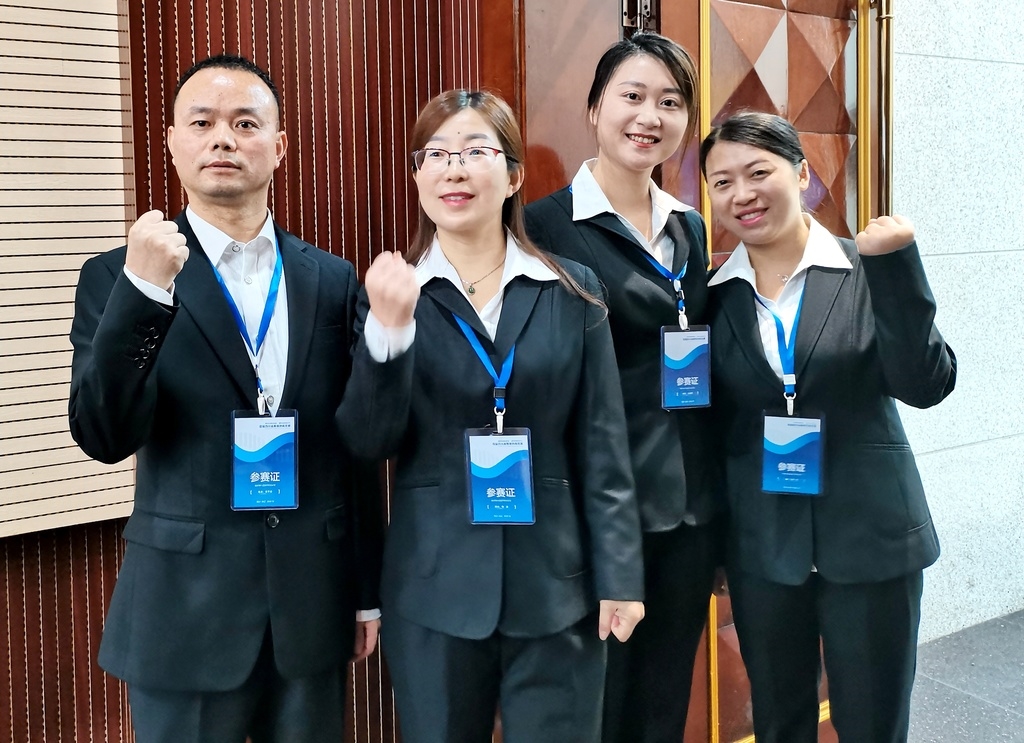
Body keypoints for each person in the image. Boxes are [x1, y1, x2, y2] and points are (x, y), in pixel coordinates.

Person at [68, 54, 382, 743]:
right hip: (183, 613)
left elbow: (353, 447)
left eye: (245, 123)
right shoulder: (117, 276)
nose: (223, 139)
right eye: (202, 122)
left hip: (310, 607)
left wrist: (366, 591)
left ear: (279, 145)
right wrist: (143, 293)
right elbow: (103, 434)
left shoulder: (330, 279)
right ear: (172, 141)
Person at [336, 89, 645, 743]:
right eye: (436, 154)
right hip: (434, 591)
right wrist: (388, 333)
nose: (454, 168)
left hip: (558, 589)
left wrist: (621, 576)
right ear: (417, 176)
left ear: (513, 176)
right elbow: (368, 440)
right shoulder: (392, 294)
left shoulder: (574, 290)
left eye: (476, 150)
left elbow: (604, 446)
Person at [700, 111, 956, 743]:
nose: (742, 194)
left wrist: (897, 268)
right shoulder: (712, 296)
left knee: (871, 724)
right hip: (765, 550)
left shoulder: (865, 267)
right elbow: (713, 430)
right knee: (779, 721)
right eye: (722, 182)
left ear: (801, 173)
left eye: (758, 172)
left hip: (870, 539)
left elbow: (926, 385)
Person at [524, 32, 722, 742]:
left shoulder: (689, 227)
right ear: (594, 108)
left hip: (687, 509)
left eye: (670, 102)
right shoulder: (543, 227)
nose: (649, 117)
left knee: (663, 704)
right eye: (632, 96)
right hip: (598, 512)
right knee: (597, 710)